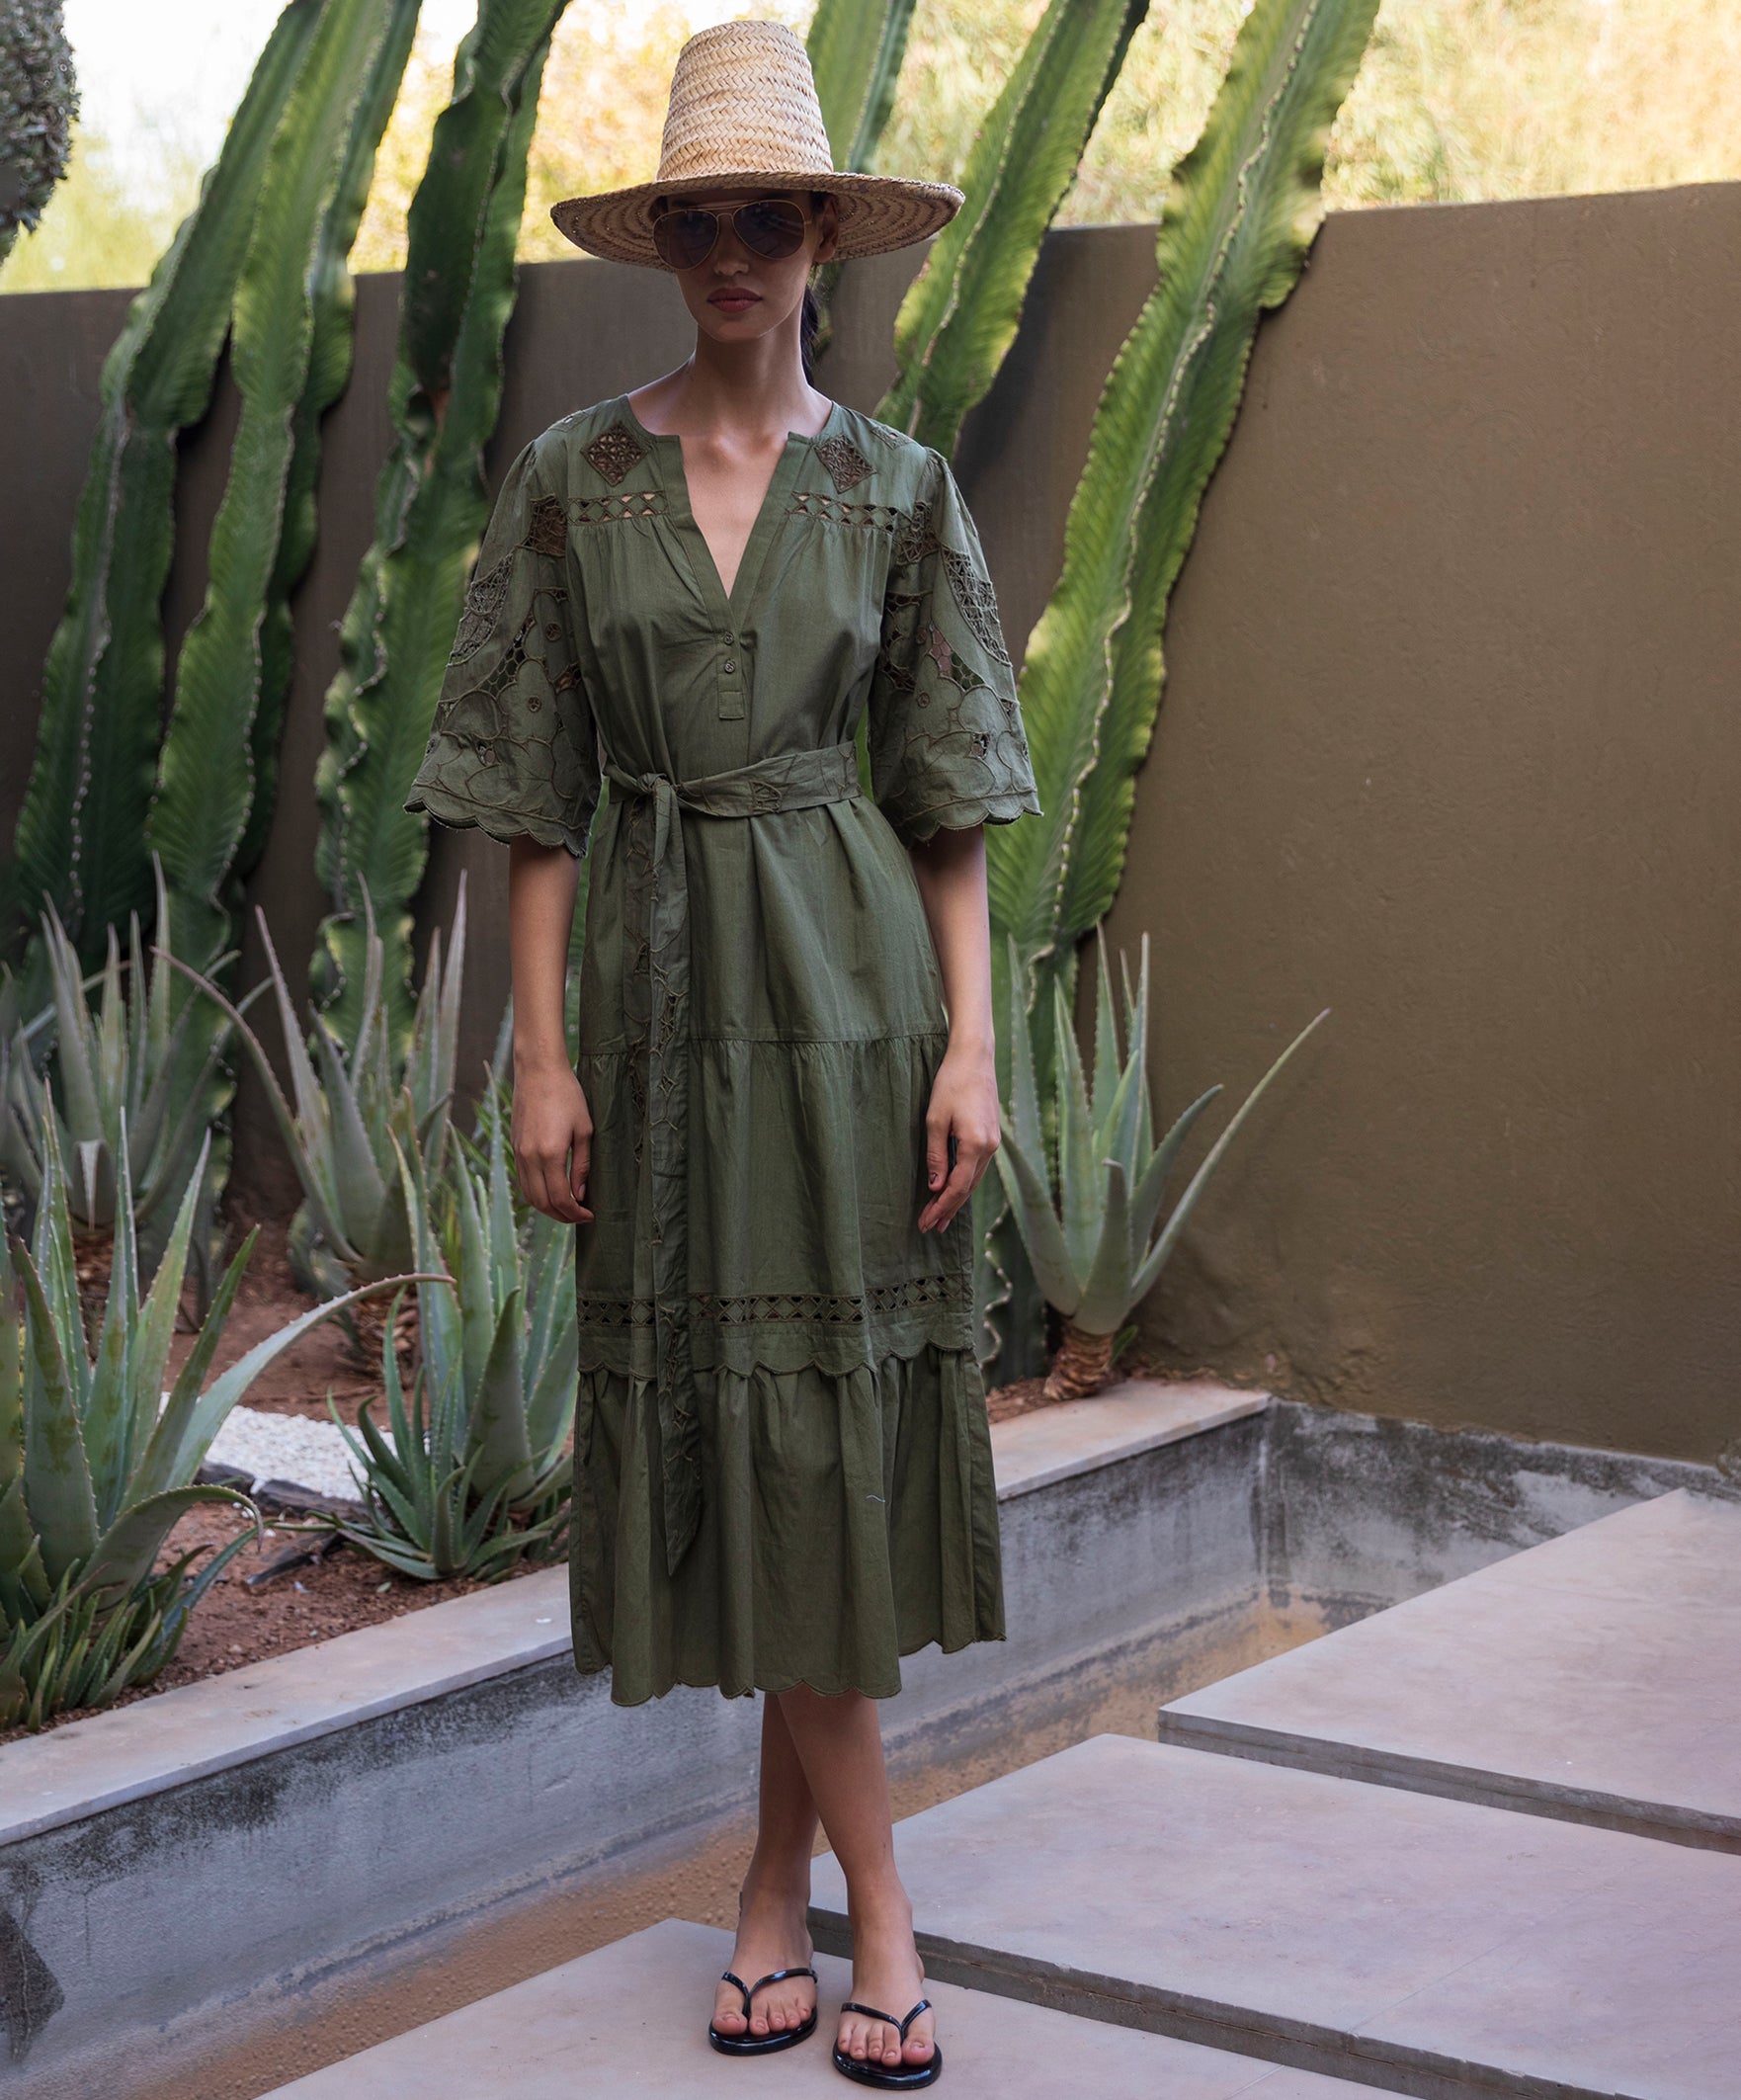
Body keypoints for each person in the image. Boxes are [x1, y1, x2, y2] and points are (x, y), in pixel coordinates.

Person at [404, 20, 1041, 2088]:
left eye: (765, 220)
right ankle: (797, 1899)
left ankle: (850, 1911)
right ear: (666, 241)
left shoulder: (897, 491)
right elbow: (526, 791)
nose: (733, 254)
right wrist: (533, 1057)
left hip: (853, 1007)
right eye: (700, 224)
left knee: (820, 1449)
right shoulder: (571, 479)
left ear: (818, 241)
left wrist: (972, 1050)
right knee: (755, 1452)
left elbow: (948, 800)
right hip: (664, 1020)